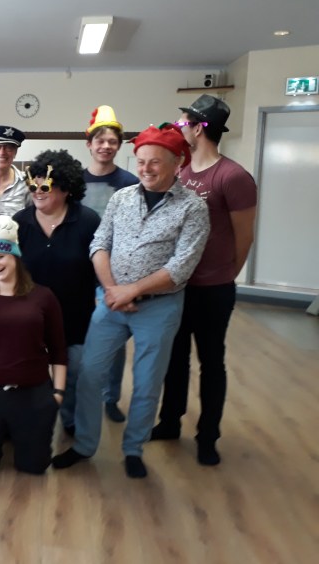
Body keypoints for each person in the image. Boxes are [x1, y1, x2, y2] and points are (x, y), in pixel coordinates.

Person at [52, 125, 210, 479]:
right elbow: (99, 244)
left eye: (155, 162)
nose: (146, 169)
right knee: (90, 373)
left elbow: (181, 267)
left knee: (147, 382)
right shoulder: (122, 198)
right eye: (140, 161)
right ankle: (84, 445)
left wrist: (131, 290)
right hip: (110, 301)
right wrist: (112, 289)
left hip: (159, 307)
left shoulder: (193, 207)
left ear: (178, 163)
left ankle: (133, 449)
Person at [151, 95, 257, 466]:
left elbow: (244, 237)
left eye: (184, 123)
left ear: (199, 128)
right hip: (176, 285)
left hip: (213, 289)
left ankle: (208, 436)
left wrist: (226, 274)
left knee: (212, 362)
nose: (180, 128)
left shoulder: (233, 177)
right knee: (174, 358)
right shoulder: (179, 172)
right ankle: (169, 422)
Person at [0, 215, 67, 474]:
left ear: (14, 255)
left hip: (33, 392)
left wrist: (58, 393)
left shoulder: (44, 297)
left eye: (0, 257)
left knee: (34, 466)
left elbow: (58, 350)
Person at [14, 149, 100, 437]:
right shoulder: (19, 222)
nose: (37, 193)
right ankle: (33, 422)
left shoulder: (87, 221)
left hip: (76, 317)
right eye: (33, 187)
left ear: (65, 188)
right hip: (31, 318)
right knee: (31, 374)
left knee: (74, 374)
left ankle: (70, 421)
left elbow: (100, 265)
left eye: (45, 187)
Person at [81, 105, 140, 424]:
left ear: (119, 146)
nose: (105, 146)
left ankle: (110, 396)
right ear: (89, 144)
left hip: (115, 273)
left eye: (112, 141)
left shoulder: (130, 182)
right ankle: (76, 392)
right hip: (77, 270)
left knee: (115, 342)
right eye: (100, 141)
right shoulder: (75, 181)